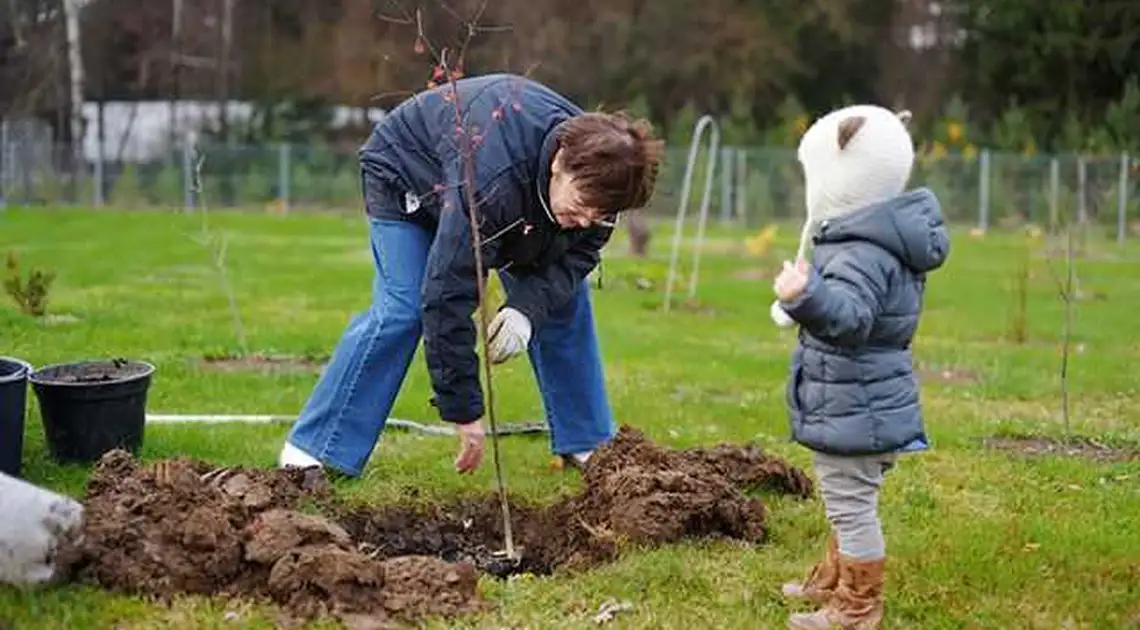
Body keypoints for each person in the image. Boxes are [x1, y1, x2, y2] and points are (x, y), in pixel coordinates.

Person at [278, 73, 663, 478]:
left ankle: (587, 445)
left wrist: (526, 311)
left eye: (600, 215)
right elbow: (448, 292)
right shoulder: (491, 181)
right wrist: (464, 409)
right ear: (558, 163)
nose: (587, 220)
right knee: (404, 308)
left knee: (564, 302)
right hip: (407, 173)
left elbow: (575, 259)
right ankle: (314, 452)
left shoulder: (605, 186)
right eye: (583, 205)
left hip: (513, 197)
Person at [768, 104, 951, 629]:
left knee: (851, 506)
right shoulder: (876, 241)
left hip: (856, 403)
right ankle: (834, 577)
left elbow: (850, 321)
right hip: (862, 399)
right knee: (843, 497)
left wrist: (806, 296)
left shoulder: (860, 252)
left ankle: (857, 607)